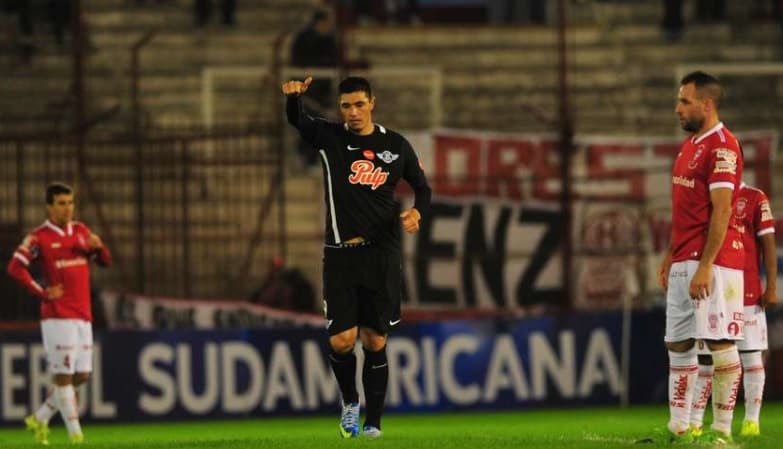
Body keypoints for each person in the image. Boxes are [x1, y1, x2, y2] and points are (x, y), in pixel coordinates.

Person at [281, 75, 431, 438]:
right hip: (341, 255)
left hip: (381, 254)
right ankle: (350, 400)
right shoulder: (331, 138)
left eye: (359, 104)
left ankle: (374, 423)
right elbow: (298, 121)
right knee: (341, 340)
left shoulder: (394, 145)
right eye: (346, 105)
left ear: (372, 102)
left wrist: (416, 213)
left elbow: (422, 188)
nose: (353, 112)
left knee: (375, 340)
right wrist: (294, 100)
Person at [652, 71, 745, 444]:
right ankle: (680, 426)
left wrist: (705, 266)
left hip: (711, 263)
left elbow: (721, 212)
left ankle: (721, 432)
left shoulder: (723, 147)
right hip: (682, 258)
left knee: (719, 343)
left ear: (707, 104)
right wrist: (668, 256)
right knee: (678, 342)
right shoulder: (689, 145)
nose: (678, 109)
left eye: (685, 102)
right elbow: (685, 211)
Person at [6, 182, 112, 445]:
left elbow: (105, 262)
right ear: (50, 206)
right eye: (62, 203)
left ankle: (39, 418)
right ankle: (77, 437)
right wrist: (42, 291)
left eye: (71, 202)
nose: (68, 208)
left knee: (83, 375)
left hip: (83, 314)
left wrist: (99, 247)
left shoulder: (81, 231)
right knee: (63, 377)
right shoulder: (39, 237)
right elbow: (15, 268)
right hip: (58, 315)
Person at [689, 183, 778, 437]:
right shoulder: (705, 196)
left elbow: (768, 243)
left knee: (750, 357)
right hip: (714, 289)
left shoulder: (755, 196)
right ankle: (694, 423)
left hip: (747, 287)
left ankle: (751, 422)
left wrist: (771, 286)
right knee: (706, 360)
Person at [290, 9, 339, 168]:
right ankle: (305, 156)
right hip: (307, 91)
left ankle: (314, 159)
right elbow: (297, 61)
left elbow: (334, 60)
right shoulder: (303, 38)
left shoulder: (329, 39)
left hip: (323, 91)